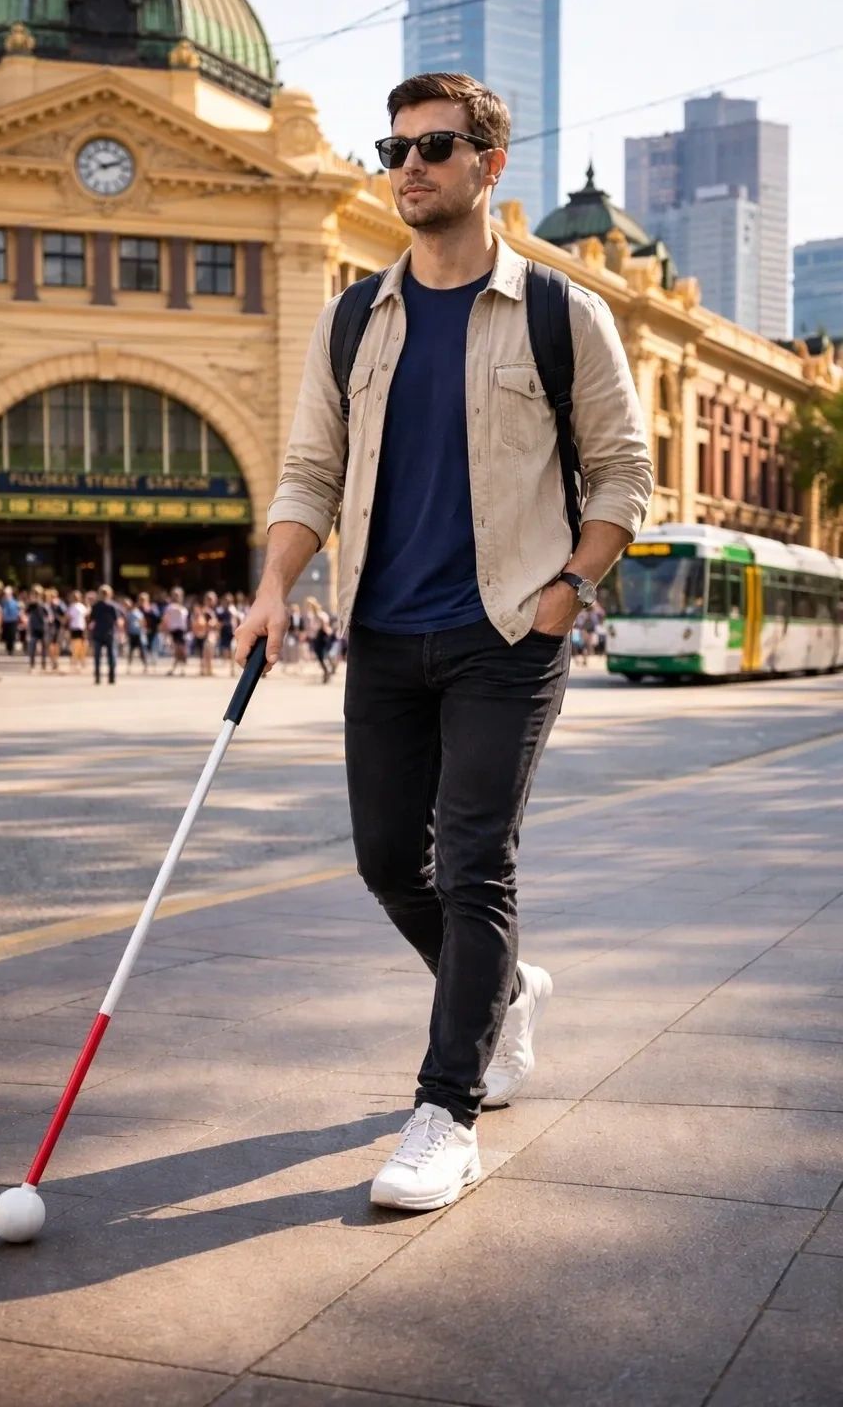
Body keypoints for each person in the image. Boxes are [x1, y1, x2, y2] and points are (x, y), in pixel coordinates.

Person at [235, 71, 653, 1213]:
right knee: (385, 860)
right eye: (396, 147)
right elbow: (307, 474)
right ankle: (503, 991)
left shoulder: (566, 314)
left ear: (487, 166)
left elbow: (624, 473)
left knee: (475, 860)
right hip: (380, 633)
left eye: (434, 146)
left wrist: (571, 584)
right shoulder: (349, 319)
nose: (408, 166)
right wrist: (276, 583)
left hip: (506, 631)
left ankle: (446, 1111)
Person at [88, 582, 121, 684]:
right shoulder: (113, 606)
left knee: (97, 657)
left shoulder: (95, 606)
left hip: (98, 633)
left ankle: (97, 678)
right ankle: (111, 678)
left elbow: (91, 621)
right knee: (111, 657)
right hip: (109, 633)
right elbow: (117, 621)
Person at [304, 595, 333, 683]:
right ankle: (327, 671)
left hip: (322, 636)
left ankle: (328, 670)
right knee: (320, 656)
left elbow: (326, 627)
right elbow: (311, 628)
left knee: (323, 655)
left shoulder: (321, 615)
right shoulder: (311, 616)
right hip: (316, 638)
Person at [163, 586, 189, 676]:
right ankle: (179, 669)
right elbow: (166, 620)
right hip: (174, 631)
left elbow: (185, 621)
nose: (176, 597)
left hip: (182, 631)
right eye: (175, 595)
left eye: (178, 595)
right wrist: (166, 633)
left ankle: (177, 669)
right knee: (177, 651)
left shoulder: (183, 608)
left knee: (180, 651)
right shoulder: (170, 607)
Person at [25, 584, 49, 672]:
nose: (36, 595)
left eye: (37, 593)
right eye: (34, 593)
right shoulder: (31, 604)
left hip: (43, 628)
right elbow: (26, 612)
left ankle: (43, 665)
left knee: (43, 648)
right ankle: (32, 665)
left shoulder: (44, 604)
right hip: (34, 628)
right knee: (32, 647)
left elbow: (48, 615)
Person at [125, 597, 149, 673]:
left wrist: (143, 630)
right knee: (131, 651)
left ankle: (145, 666)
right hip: (132, 633)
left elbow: (143, 622)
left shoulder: (138, 612)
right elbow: (127, 623)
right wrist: (127, 632)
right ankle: (129, 667)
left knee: (141, 651)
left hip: (138, 633)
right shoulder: (128, 613)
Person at [66, 590, 88, 672]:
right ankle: (74, 663)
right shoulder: (71, 607)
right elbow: (68, 617)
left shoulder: (82, 606)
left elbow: (86, 617)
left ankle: (82, 662)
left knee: (83, 646)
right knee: (75, 646)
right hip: (74, 628)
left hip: (81, 628)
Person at [0, 586, 20, 657]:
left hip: (13, 620)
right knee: (7, 635)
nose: (6, 595)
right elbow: (2, 610)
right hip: (6, 620)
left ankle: (11, 649)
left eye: (8, 594)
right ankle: (8, 648)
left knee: (12, 635)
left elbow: (17, 611)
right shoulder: (3, 602)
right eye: (5, 594)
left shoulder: (14, 602)